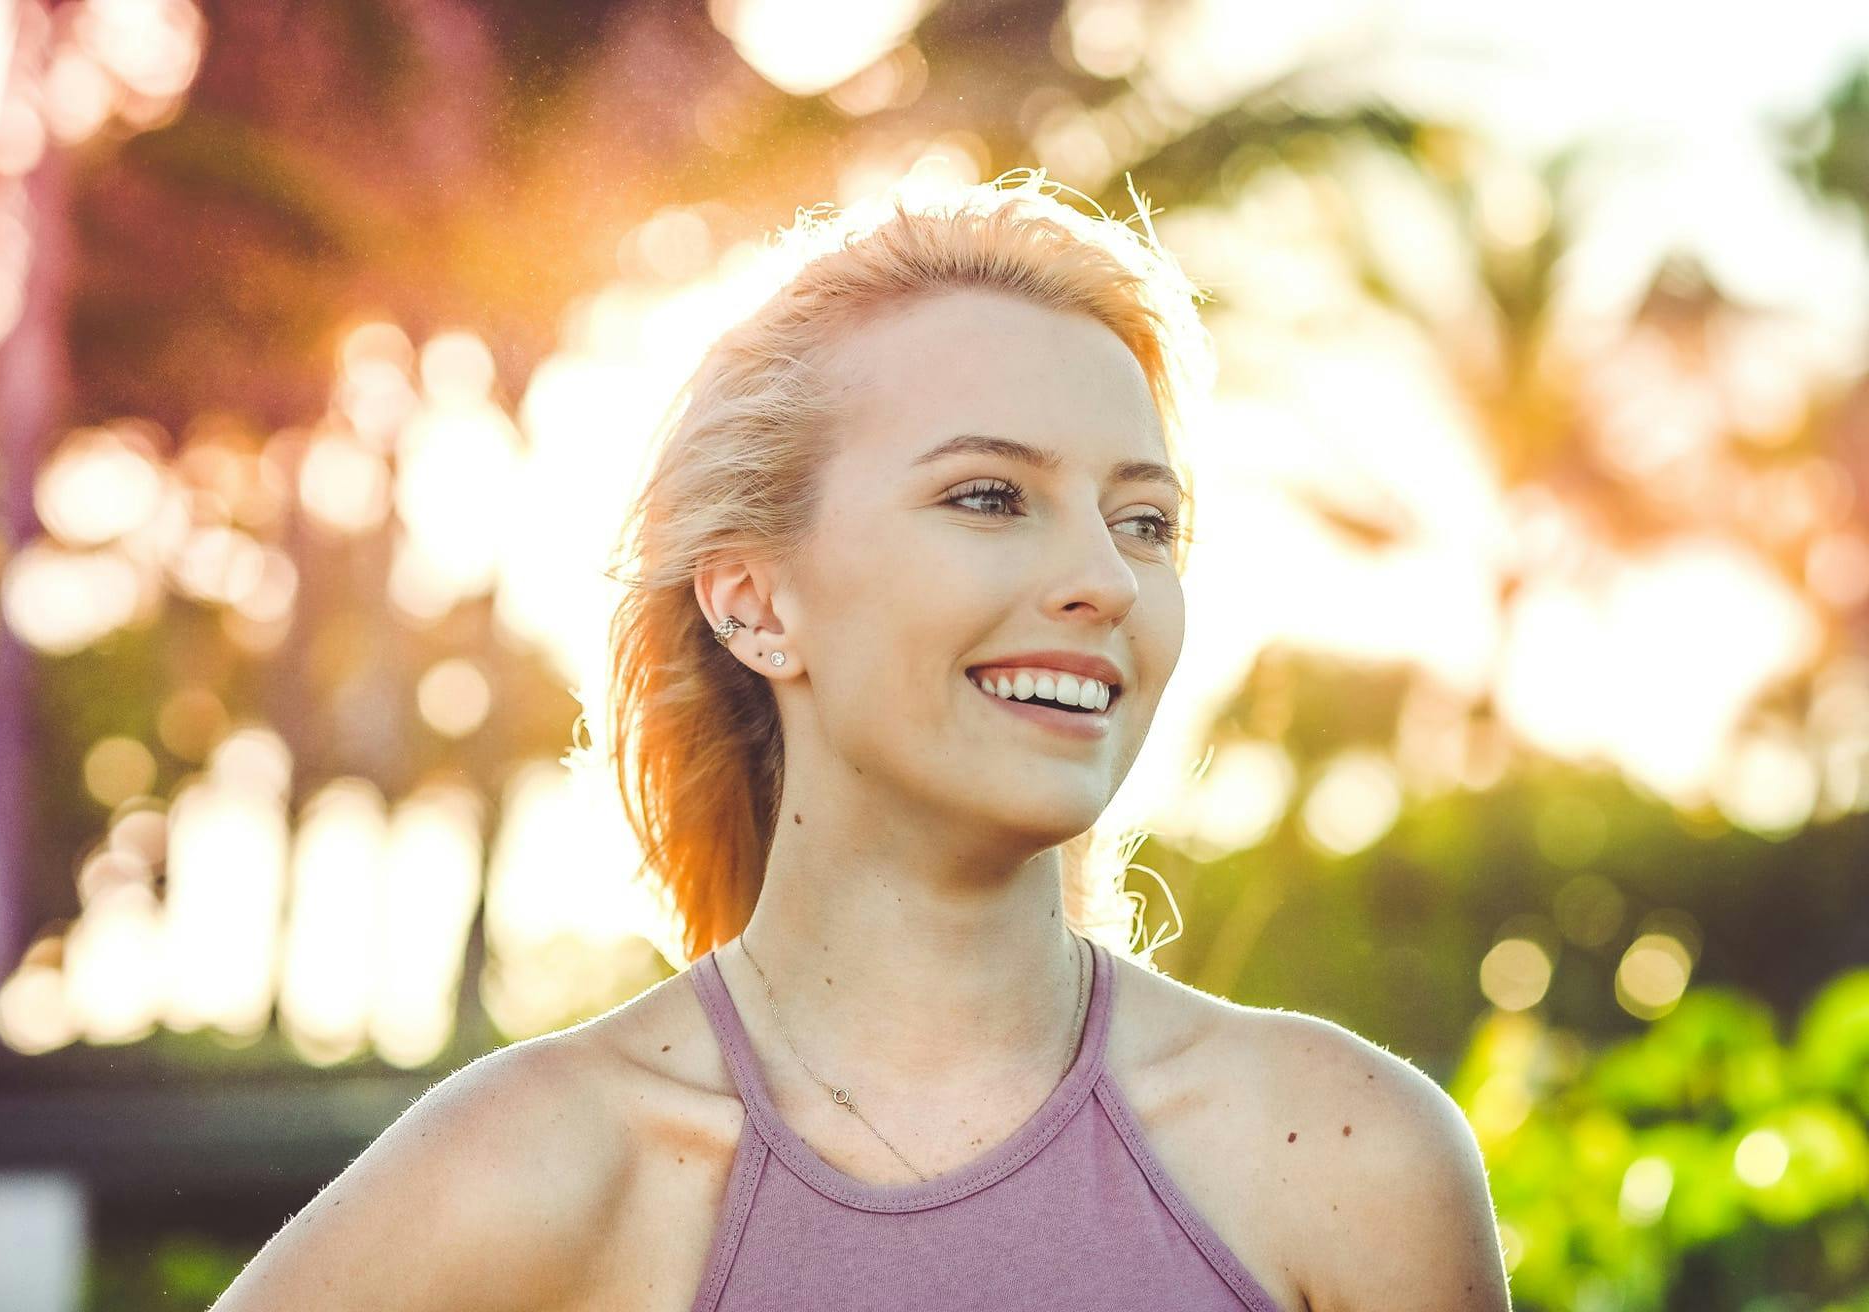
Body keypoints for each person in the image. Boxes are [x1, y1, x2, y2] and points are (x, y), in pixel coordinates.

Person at [212, 172, 1511, 1311]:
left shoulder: (1350, 1161)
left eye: (1145, 521)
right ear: (755, 603)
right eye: (988, 497)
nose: (1105, 581)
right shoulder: (539, 1165)